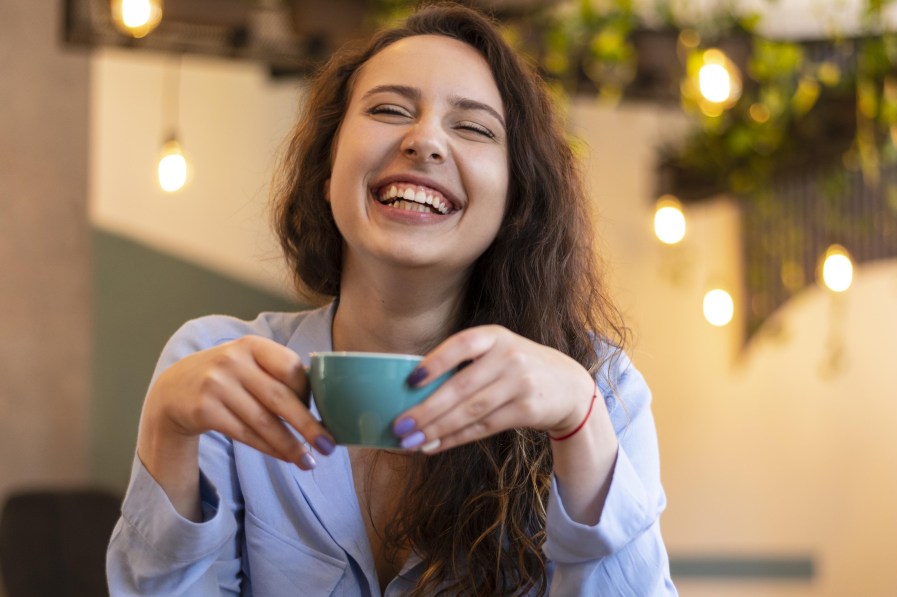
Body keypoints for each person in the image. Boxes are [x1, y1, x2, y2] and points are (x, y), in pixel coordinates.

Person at [106, 3, 674, 595]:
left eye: (474, 127)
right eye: (388, 110)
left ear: (516, 198)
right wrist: (164, 431)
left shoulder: (600, 390)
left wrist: (579, 423)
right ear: (328, 170)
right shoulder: (218, 365)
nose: (424, 139)